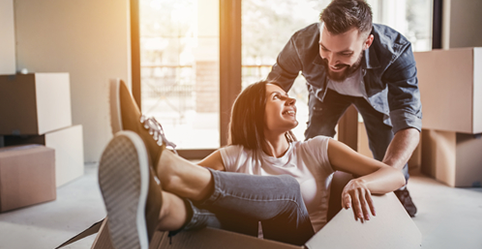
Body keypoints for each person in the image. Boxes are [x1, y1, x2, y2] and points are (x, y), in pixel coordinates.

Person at [99, 80, 405, 249]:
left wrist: (362, 181)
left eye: (289, 97)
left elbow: (394, 175)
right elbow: (187, 193)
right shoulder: (233, 155)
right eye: (277, 97)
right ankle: (159, 209)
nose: (291, 101)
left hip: (298, 244)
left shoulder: (318, 148)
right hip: (239, 244)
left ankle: (167, 162)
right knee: (210, 210)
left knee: (287, 191)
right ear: (254, 111)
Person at [266, 0, 422, 217]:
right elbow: (270, 90)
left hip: (373, 96)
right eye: (325, 49)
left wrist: (386, 177)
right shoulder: (301, 43)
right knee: (315, 139)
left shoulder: (396, 50)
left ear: (367, 42)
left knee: (385, 147)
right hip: (326, 92)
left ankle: (401, 189)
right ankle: (318, 191)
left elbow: (409, 121)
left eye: (345, 53)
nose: (332, 61)